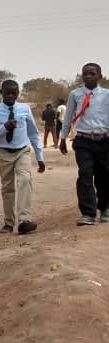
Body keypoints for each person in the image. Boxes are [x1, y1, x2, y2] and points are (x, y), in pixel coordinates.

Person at [0, 79, 44, 234]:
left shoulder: (24, 109)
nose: (11, 96)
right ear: (1, 93)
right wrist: (4, 127)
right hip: (4, 152)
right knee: (7, 187)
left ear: (18, 93)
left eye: (14, 93)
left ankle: (25, 219)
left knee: (25, 179)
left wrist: (40, 156)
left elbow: (33, 132)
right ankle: (8, 223)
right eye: (7, 93)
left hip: (22, 151)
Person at [59, 62, 109, 225]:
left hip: (104, 141)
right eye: (85, 73)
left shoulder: (107, 95)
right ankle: (88, 213)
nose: (88, 76)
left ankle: (105, 208)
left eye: (92, 73)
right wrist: (63, 138)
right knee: (85, 174)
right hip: (83, 140)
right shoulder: (75, 94)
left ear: (99, 76)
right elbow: (67, 117)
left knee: (104, 176)